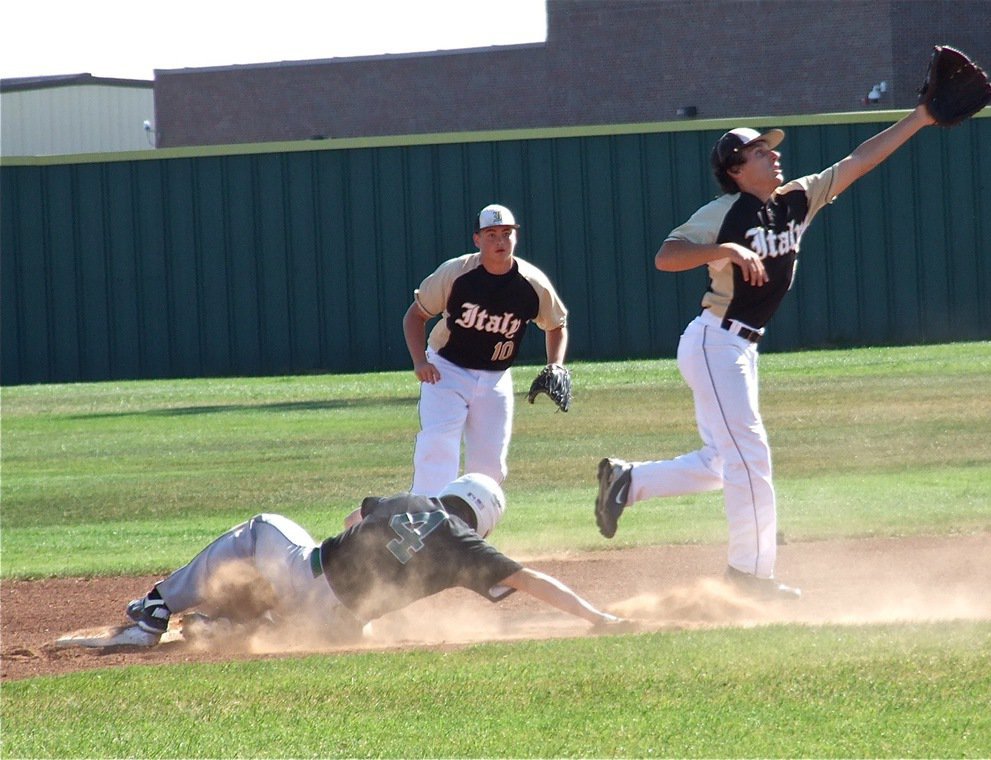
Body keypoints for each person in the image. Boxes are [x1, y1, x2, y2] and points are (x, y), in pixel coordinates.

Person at [594, 105, 940, 600]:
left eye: (771, 149)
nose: (773, 156)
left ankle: (627, 481)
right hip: (715, 342)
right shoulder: (723, 213)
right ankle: (749, 577)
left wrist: (921, 117)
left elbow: (860, 160)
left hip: (738, 347)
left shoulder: (797, 198)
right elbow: (666, 256)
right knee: (749, 455)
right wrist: (726, 250)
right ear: (735, 169)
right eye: (759, 152)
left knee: (724, 462)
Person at [73, 473, 623, 648]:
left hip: (309, 577)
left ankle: (155, 609)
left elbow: (349, 524)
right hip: (335, 627)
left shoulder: (412, 503)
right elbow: (532, 581)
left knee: (263, 526)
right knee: (336, 607)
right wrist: (597, 617)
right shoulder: (465, 550)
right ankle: (234, 624)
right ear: (482, 520)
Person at [403, 204, 569, 496]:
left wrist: (555, 364)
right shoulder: (456, 274)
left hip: (495, 377)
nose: (500, 241)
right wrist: (419, 361)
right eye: (491, 234)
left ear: (515, 237)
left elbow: (556, 325)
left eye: (506, 233)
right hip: (446, 371)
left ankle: (469, 532)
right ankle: (424, 525)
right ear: (477, 239)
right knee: (438, 450)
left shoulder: (531, 283)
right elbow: (415, 316)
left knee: (489, 470)